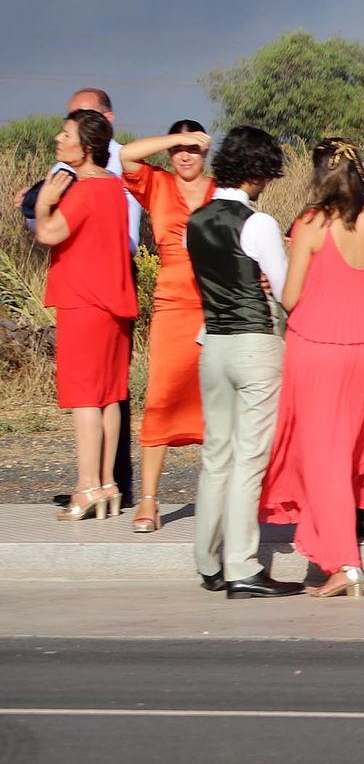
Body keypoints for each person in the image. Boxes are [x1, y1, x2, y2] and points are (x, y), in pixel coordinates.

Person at [260, 138, 364, 598]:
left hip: (316, 350)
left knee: (324, 458)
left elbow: (290, 299)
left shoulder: (312, 223)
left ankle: (345, 563)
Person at [187, 126, 303, 599]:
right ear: (258, 174)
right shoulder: (258, 223)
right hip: (255, 344)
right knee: (249, 458)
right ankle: (242, 567)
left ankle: (207, 560)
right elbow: (285, 288)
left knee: (216, 454)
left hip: (212, 344)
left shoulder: (195, 221)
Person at [14, 88, 141, 509]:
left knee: (85, 396)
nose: (57, 138)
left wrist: (46, 204)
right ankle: (107, 484)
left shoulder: (83, 189)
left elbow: (49, 234)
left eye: (65, 134)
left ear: (85, 147)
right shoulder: (113, 188)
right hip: (113, 303)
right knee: (109, 396)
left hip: (83, 301)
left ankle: (87, 485)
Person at [118, 121, 215, 533]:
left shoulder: (220, 190)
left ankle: (222, 501)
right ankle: (149, 501)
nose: (186, 155)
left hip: (216, 304)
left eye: (194, 147)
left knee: (218, 404)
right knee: (160, 398)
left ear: (207, 150)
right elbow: (126, 156)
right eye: (179, 148)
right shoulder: (156, 184)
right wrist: (176, 138)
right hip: (173, 305)